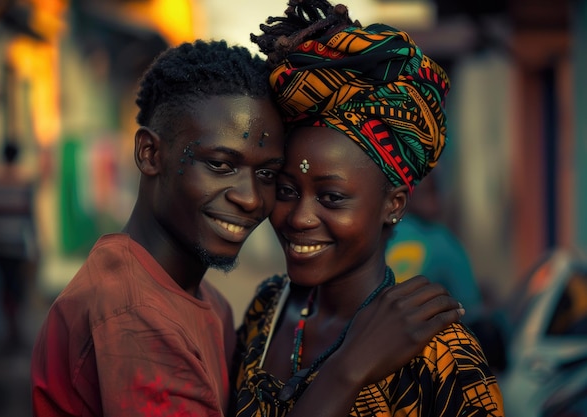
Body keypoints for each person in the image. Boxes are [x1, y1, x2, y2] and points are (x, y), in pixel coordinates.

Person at [31, 39, 463, 417]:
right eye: (221, 165)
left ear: (393, 205)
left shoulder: (212, 304)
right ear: (149, 153)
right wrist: (348, 369)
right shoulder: (139, 316)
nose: (251, 198)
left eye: (268, 174)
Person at [232, 1, 505, 416]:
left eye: (331, 197)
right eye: (287, 190)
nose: (299, 218)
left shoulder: (441, 353)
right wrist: (347, 370)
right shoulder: (268, 310)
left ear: (393, 204)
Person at [386, 170, 485, 322]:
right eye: (427, 193)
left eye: (435, 191)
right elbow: (470, 306)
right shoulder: (441, 240)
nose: (434, 201)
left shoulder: (382, 238)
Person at [0, 141, 38, 351]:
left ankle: (9, 330)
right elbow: (30, 215)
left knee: (4, 286)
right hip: (17, 243)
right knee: (17, 287)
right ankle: (15, 331)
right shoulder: (24, 180)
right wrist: (35, 242)